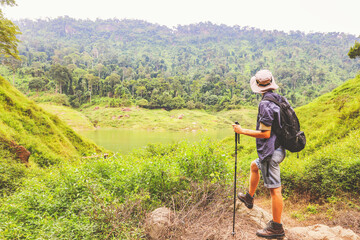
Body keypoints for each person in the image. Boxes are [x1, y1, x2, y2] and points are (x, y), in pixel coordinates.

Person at [232, 69, 286, 239]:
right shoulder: (277, 99)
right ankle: (249, 197)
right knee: (254, 166)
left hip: (271, 152)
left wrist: (241, 131)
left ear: (258, 86)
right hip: (279, 147)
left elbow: (265, 133)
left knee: (275, 190)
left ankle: (277, 227)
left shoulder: (265, 104)